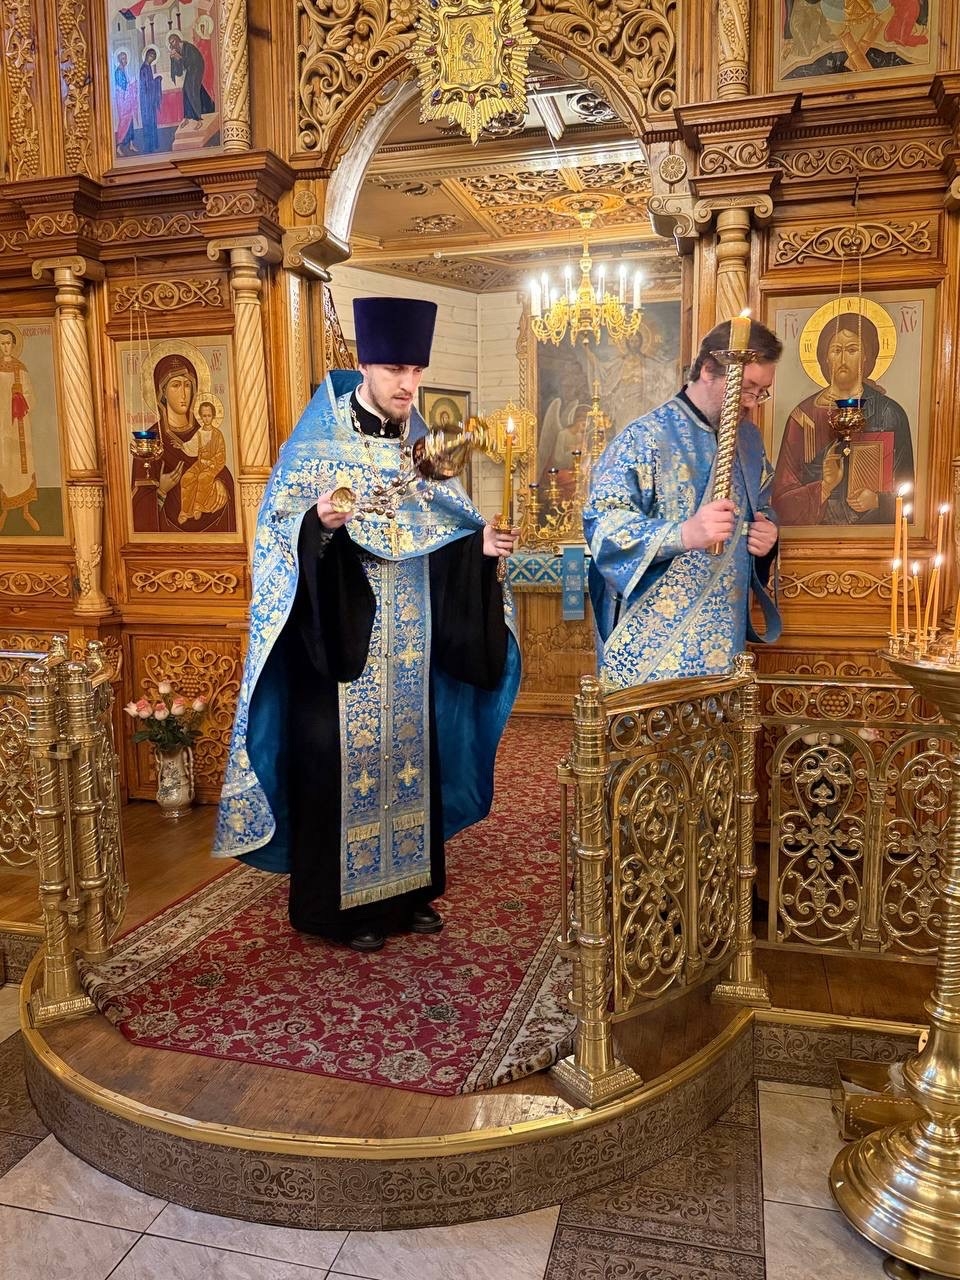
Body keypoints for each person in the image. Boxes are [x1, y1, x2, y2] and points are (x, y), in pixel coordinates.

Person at [213, 297, 522, 953]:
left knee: (406, 759)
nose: (408, 385)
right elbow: (275, 540)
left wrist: (480, 547)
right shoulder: (316, 446)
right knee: (340, 765)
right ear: (365, 365)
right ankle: (339, 910)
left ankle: (407, 894)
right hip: (338, 646)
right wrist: (317, 526)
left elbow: (443, 533)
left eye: (416, 370)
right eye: (395, 370)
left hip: (409, 646)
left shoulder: (419, 447)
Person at [584, 318, 783, 691]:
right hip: (653, 644)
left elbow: (762, 503)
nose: (752, 403)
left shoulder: (749, 441)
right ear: (708, 369)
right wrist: (683, 534)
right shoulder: (644, 438)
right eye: (747, 388)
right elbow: (604, 526)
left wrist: (766, 536)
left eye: (762, 392)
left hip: (724, 639)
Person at [772, 312, 913, 526]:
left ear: (866, 356)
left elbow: (909, 493)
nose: (843, 360)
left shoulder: (889, 413)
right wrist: (825, 487)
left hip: (875, 537)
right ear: (825, 357)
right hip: (815, 539)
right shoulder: (803, 417)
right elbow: (781, 501)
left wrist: (878, 501)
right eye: (836, 350)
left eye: (852, 350)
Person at [130, 353, 237, 534]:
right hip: (168, 538)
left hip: (215, 537)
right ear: (162, 392)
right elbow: (139, 506)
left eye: (187, 385)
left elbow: (220, 465)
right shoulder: (150, 440)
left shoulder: (207, 433)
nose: (184, 394)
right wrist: (162, 491)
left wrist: (222, 484)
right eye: (176, 385)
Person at [0, 326, 39, 533]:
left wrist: (20, 398)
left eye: (8, 343)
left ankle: (25, 511)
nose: (5, 347)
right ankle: (4, 510)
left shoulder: (20, 369)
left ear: (14, 345)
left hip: (18, 424)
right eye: (2, 343)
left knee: (22, 465)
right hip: (1, 425)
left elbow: (31, 396)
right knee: (4, 464)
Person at [179, 398, 230, 523]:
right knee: (186, 478)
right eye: (204, 416)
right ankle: (185, 511)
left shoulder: (217, 434)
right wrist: (182, 446)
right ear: (201, 417)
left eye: (209, 416)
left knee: (203, 477)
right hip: (200, 463)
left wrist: (210, 462)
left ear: (213, 416)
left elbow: (221, 453)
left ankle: (198, 506)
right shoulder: (200, 433)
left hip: (214, 465)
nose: (206, 419)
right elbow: (192, 446)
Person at [168, 33, 215, 131]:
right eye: (170, 43)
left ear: (178, 39)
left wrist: (179, 58)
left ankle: (199, 119)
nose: (172, 44)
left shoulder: (188, 47)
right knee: (185, 90)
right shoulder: (178, 51)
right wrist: (174, 60)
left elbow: (193, 61)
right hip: (190, 70)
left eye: (173, 41)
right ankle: (187, 117)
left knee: (192, 90)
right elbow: (179, 72)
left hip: (197, 68)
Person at [113, 51, 139, 156]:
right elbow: (122, 86)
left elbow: (128, 83)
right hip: (122, 101)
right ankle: (118, 147)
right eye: (123, 58)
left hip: (128, 101)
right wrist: (131, 85)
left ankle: (131, 144)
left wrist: (133, 83)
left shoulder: (125, 69)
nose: (125, 60)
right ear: (119, 60)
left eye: (126, 58)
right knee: (123, 122)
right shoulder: (118, 72)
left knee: (130, 122)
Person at [138, 48, 162, 154]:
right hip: (146, 99)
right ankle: (148, 147)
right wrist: (157, 80)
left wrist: (156, 80)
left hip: (149, 98)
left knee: (152, 120)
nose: (152, 58)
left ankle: (153, 145)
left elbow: (150, 83)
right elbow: (147, 85)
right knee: (148, 121)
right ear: (147, 55)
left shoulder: (148, 68)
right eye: (151, 56)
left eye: (154, 57)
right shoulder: (144, 69)